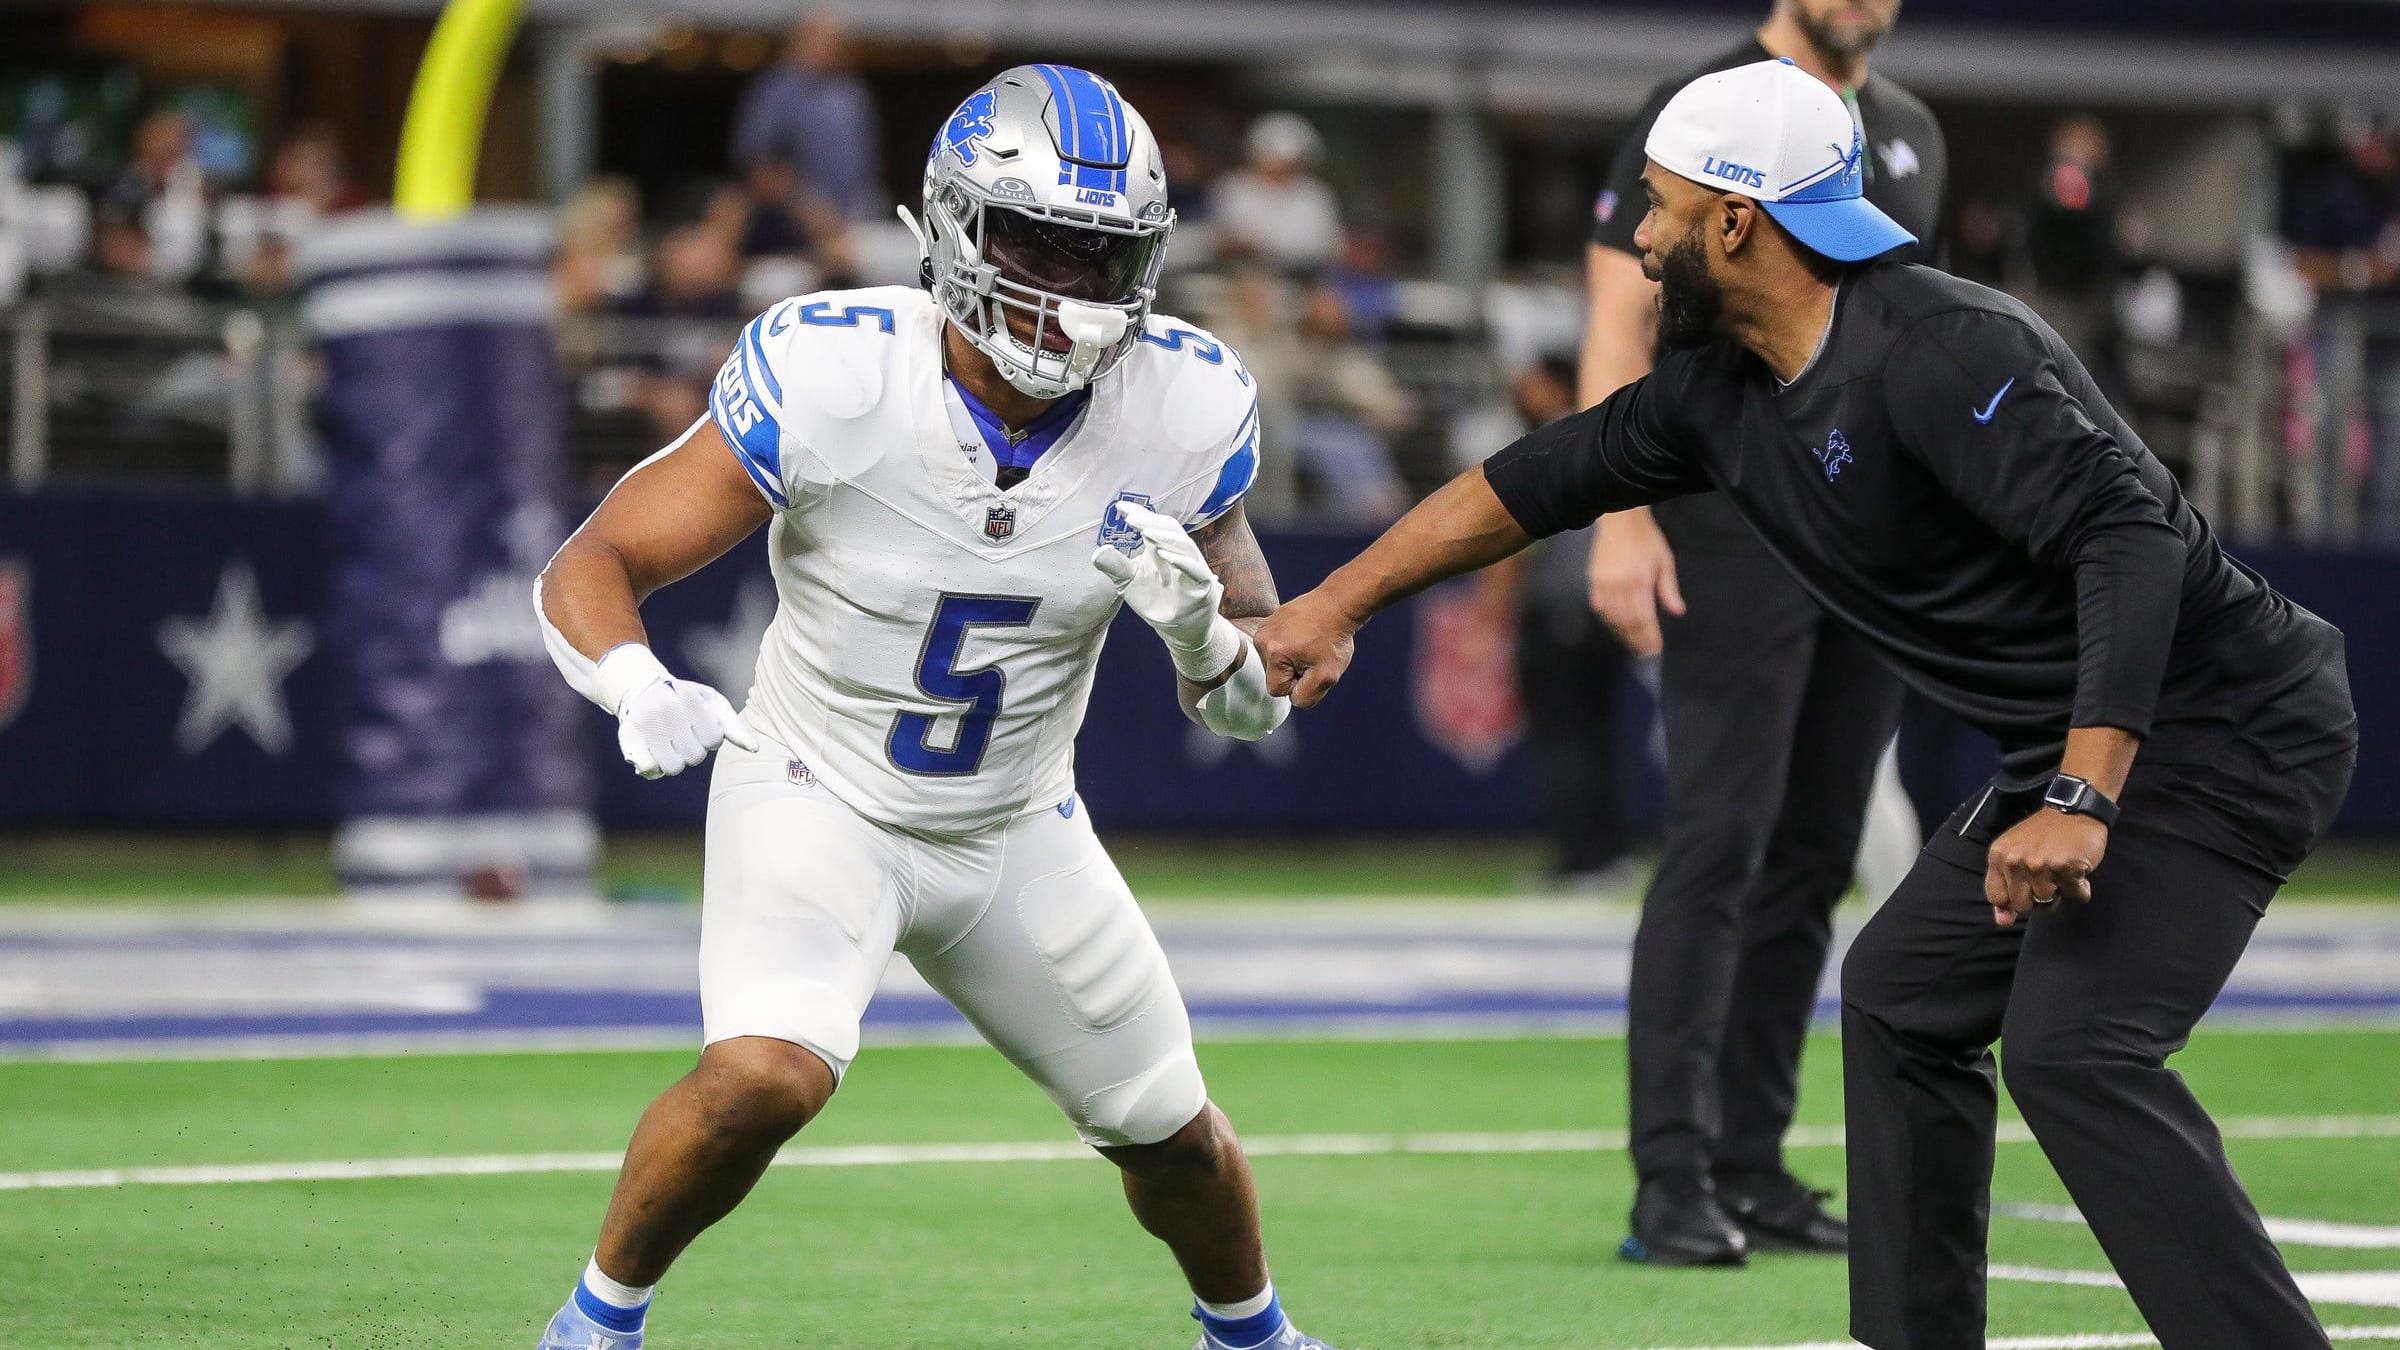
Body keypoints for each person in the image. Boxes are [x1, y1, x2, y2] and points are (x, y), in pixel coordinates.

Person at [1255, 58, 2357, 1350]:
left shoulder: (1942, 346)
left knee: (2075, 1050)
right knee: (1901, 995)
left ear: (1737, 219)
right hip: (2080, 743)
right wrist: (1334, 604)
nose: (1640, 237)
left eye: (1659, 209)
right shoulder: (1716, 398)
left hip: (2221, 723)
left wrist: (2079, 788)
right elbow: (1526, 483)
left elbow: (2131, 539)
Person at [531, 65, 1338, 1350]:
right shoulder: (836, 373)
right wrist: (632, 683)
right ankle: (591, 1326)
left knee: (1175, 1137)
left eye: (1100, 254)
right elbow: (592, 560)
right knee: (765, 1074)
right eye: (1036, 241)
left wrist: (1200, 634)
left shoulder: (1184, 408)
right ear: (954, 225)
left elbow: (1252, 707)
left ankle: (1255, 1337)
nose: (1067, 284)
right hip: (817, 790)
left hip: (1018, 821)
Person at [1575, 0, 1946, 1266]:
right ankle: (1669, 1176)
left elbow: (1893, 335)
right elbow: (1617, 312)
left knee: (1818, 846)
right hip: (1730, 511)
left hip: (1864, 527)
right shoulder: (1702, 104)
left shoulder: (1908, 132)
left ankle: (1751, 1159)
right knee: (1719, 839)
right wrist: (1621, 521)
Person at [730, 13, 881, 222]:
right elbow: (759, 165)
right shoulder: (775, 92)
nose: (829, 49)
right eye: (821, 40)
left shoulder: (852, 94)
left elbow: (865, 161)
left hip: (855, 216)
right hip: (795, 222)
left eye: (835, 42)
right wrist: (805, 208)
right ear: (800, 40)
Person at [1209, 112, 1342, 275]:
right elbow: (1222, 237)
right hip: (1240, 275)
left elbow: (1326, 244)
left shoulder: (1315, 194)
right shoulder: (1232, 188)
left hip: (1303, 278)